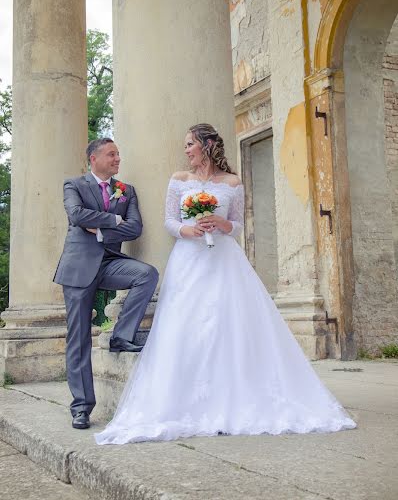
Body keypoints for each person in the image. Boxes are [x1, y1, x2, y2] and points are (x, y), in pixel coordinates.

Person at [95, 124, 355, 444]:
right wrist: (188, 230)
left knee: (226, 323)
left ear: (206, 145)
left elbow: (237, 227)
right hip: (188, 260)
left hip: (224, 260)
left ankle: (233, 397)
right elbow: (169, 221)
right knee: (186, 324)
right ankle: (184, 400)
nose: (186, 150)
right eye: (185, 145)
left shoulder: (232, 183)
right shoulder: (179, 180)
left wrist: (220, 223)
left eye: (190, 144)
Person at [54, 138, 159, 430]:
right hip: (77, 269)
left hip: (111, 262)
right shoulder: (73, 185)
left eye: (118, 154)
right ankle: (82, 407)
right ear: (94, 158)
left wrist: (99, 229)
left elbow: (135, 228)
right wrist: (114, 219)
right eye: (111, 154)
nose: (117, 159)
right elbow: (76, 215)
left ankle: (120, 335)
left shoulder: (126, 191)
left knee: (146, 274)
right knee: (79, 338)